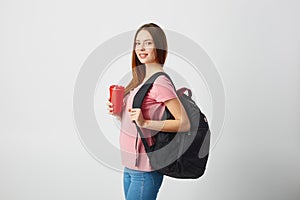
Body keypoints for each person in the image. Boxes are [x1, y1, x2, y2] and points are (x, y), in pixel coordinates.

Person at [107, 23, 190, 200]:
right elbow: (133, 122)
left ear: (159, 46)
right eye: (137, 43)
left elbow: (184, 123)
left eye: (148, 43)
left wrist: (146, 123)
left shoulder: (160, 82)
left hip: (145, 170)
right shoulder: (139, 80)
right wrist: (117, 112)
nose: (141, 48)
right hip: (130, 166)